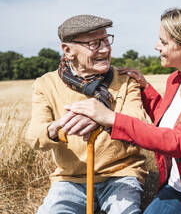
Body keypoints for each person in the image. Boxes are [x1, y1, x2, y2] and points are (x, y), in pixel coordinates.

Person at [66, 8, 181, 214]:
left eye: (163, 42)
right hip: (177, 188)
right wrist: (145, 89)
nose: (157, 47)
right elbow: (168, 120)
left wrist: (111, 118)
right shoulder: (175, 80)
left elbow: (178, 141)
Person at [25, 14, 150, 214]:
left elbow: (139, 125)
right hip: (70, 180)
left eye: (107, 40)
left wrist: (103, 118)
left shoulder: (125, 80)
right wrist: (58, 128)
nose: (106, 49)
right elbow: (34, 136)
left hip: (121, 174)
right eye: (94, 43)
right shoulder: (45, 84)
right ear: (68, 50)